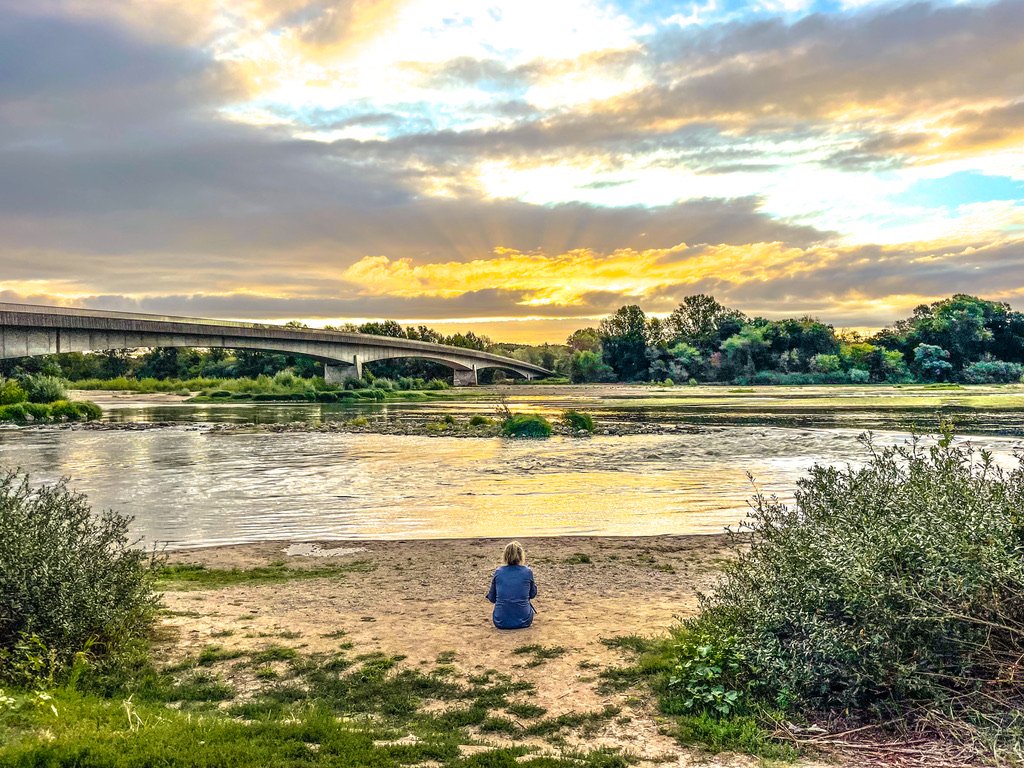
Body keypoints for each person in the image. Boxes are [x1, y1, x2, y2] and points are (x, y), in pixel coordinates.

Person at [486, 541, 537, 629]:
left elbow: (492, 598)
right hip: (524, 620)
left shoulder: (499, 572)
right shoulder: (527, 571)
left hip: (500, 621)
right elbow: (533, 594)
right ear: (521, 556)